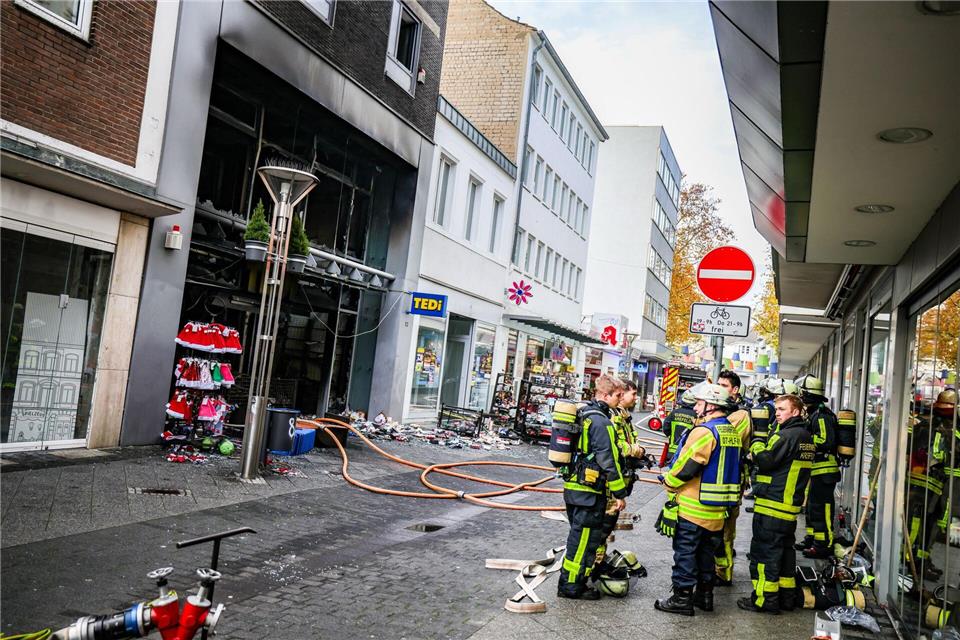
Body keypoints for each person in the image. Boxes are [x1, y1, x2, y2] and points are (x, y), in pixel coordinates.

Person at [654, 383, 742, 616]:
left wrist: (668, 480)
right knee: (706, 555)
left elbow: (687, 467)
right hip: (717, 510)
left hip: (694, 508)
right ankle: (704, 596)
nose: (695, 409)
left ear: (710, 406)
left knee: (685, 554)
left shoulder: (704, 431)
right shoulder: (730, 431)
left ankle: (681, 599)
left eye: (699, 404)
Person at [737, 394, 816, 614]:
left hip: (772, 505)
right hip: (789, 508)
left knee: (764, 555)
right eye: (777, 409)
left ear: (796, 412)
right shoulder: (806, 437)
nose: (777, 413)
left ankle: (765, 600)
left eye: (782, 409)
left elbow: (765, 460)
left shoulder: (785, 436)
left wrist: (757, 444)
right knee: (785, 556)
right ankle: (786, 598)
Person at [557, 374, 630, 600]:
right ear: (605, 395)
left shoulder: (584, 414)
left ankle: (572, 581)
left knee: (578, 537)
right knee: (582, 542)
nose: (620, 399)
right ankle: (571, 586)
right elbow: (609, 460)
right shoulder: (602, 422)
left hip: (574, 488)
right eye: (617, 395)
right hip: (589, 492)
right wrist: (620, 493)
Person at [795, 375, 841, 559]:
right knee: (813, 507)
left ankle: (824, 544)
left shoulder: (821, 416)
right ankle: (813, 538)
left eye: (803, 395)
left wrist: (805, 439)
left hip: (825, 470)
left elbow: (825, 440)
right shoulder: (814, 413)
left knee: (822, 509)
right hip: (817, 470)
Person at [714, 388, 753, 587]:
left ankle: (723, 572)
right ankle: (717, 569)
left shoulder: (740, 416)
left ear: (735, 390)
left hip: (730, 482)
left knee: (725, 531)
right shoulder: (730, 416)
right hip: (717, 482)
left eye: (723, 385)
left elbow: (721, 443)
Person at [664, 388, 698, 459]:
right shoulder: (696, 416)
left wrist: (671, 436)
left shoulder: (674, 412)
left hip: (672, 451)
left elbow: (666, 428)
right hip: (687, 453)